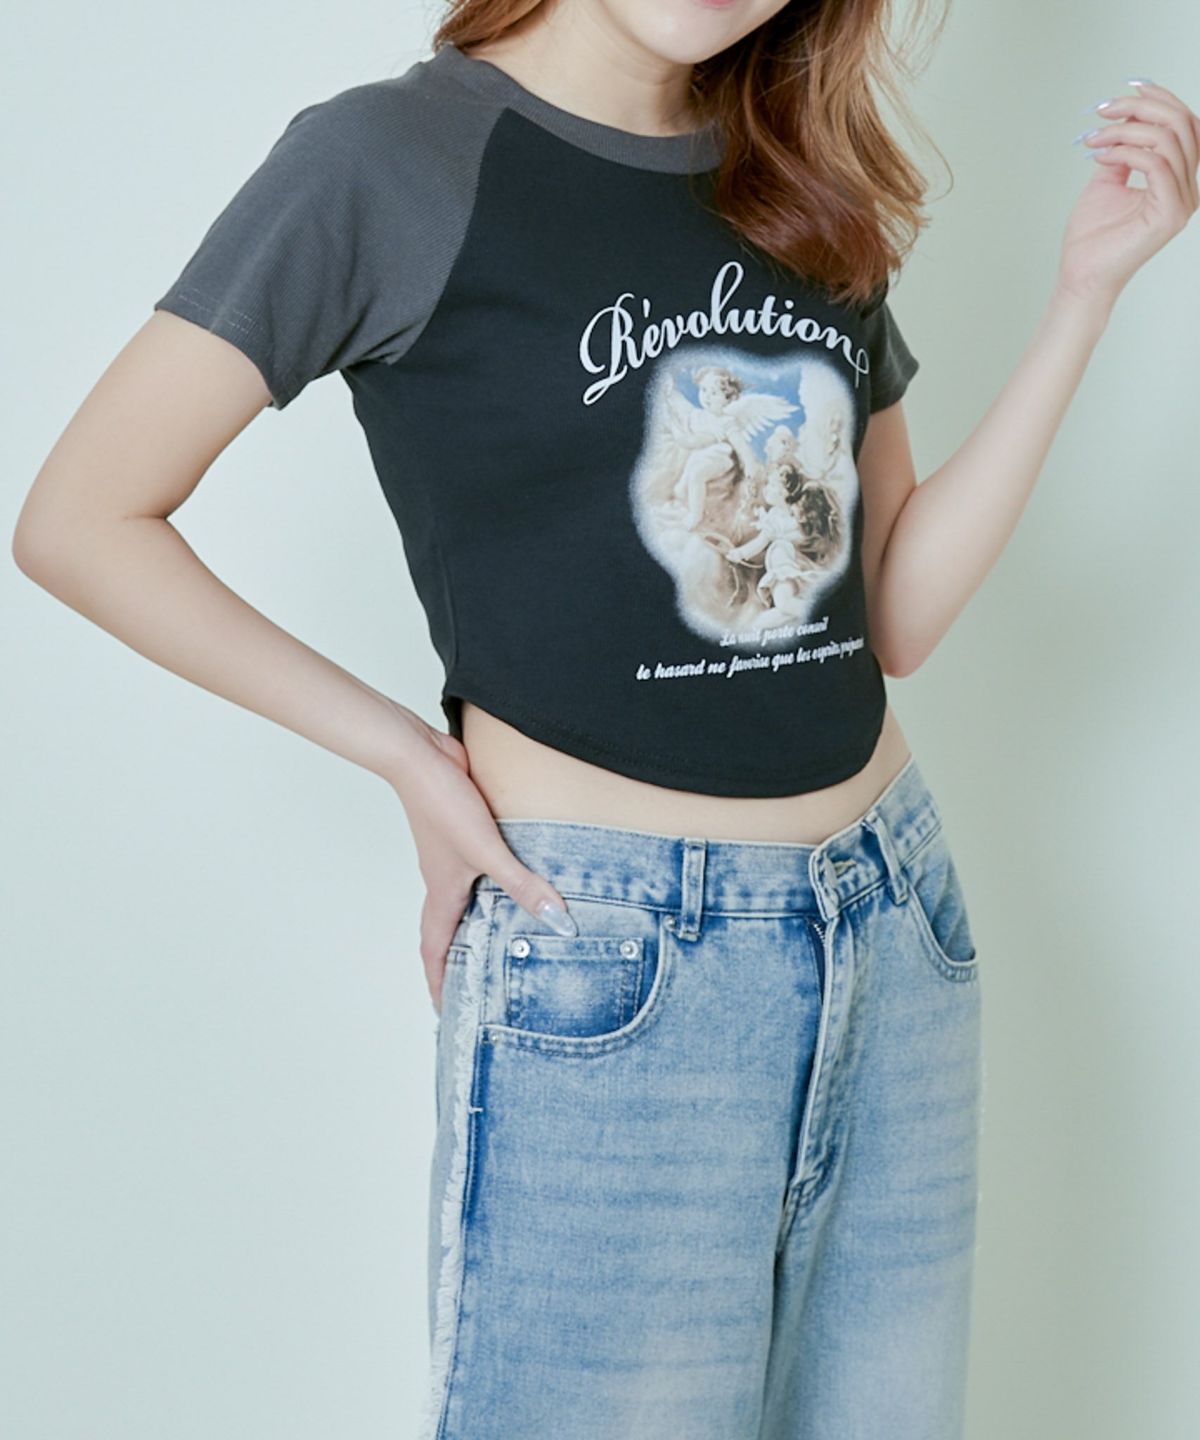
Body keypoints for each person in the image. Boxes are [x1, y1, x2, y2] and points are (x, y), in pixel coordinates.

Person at [12, 1, 1198, 1436]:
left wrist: (1085, 298)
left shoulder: (795, 169)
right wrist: (405, 755)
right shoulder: (388, 160)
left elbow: (894, 608)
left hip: (895, 927)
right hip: (617, 955)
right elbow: (82, 519)